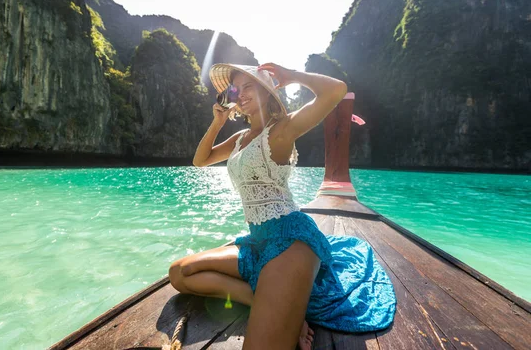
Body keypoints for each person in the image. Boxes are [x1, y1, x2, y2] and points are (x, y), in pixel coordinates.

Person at [169, 63, 396, 350]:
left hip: (291, 239)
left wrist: (293, 77)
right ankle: (264, 301)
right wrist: (217, 123)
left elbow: (336, 91)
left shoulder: (281, 131)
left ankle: (282, 306)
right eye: (237, 89)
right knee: (179, 273)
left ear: (266, 90)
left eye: (250, 85)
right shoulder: (239, 139)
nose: (241, 94)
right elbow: (200, 160)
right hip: (257, 240)